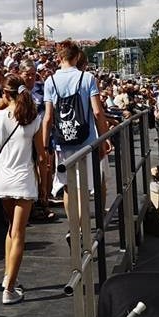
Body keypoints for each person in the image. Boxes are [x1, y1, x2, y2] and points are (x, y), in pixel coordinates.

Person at [0, 76, 44, 305]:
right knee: (19, 234)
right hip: (23, 179)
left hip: (2, 179)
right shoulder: (33, 118)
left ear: (5, 94)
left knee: (11, 231)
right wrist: (43, 184)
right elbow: (41, 156)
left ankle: (8, 278)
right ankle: (10, 288)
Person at [42, 40, 109, 222]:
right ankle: (81, 228)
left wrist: (44, 145)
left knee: (67, 187)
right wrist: (103, 140)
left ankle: (73, 225)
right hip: (86, 140)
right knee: (84, 187)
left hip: (62, 141)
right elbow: (97, 112)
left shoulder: (50, 81)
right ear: (77, 56)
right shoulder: (87, 78)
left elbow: (48, 117)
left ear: (58, 57)